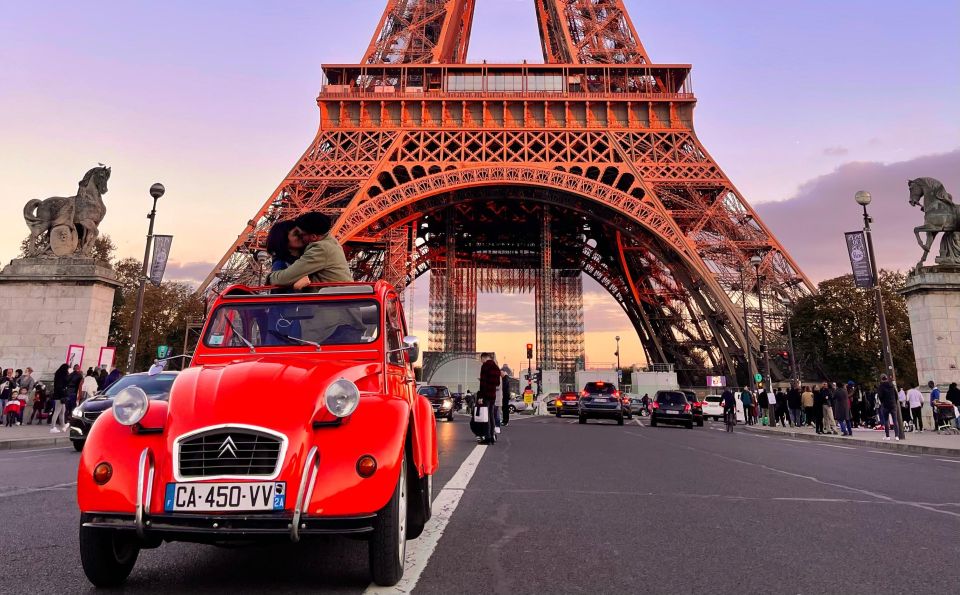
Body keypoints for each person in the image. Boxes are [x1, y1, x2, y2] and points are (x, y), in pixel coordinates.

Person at [265, 212, 352, 288]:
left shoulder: (320, 248)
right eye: (296, 233)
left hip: (332, 304)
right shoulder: (328, 242)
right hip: (332, 303)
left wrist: (269, 278)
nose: (300, 237)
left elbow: (283, 279)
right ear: (283, 240)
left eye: (300, 234)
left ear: (314, 237)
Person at [477, 353, 501, 445]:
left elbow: (483, 383)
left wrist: (480, 397)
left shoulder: (485, 366)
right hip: (493, 395)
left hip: (486, 395)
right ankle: (492, 437)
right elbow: (498, 383)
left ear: (483, 358)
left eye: (481, 359)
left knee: (486, 417)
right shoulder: (496, 367)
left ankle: (487, 437)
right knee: (491, 416)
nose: (481, 361)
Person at [878, 375, 900, 441]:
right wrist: (895, 402)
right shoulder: (891, 385)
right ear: (887, 379)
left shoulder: (881, 386)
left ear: (881, 379)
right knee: (895, 420)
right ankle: (897, 436)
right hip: (893, 404)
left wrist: (882, 402)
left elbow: (880, 396)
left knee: (886, 421)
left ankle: (888, 436)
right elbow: (896, 395)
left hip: (885, 405)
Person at [50, 364, 70, 433]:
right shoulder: (62, 376)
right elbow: (61, 386)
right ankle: (52, 427)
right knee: (57, 411)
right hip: (60, 396)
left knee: (62, 411)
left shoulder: (58, 374)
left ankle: (63, 426)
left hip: (59, 395)